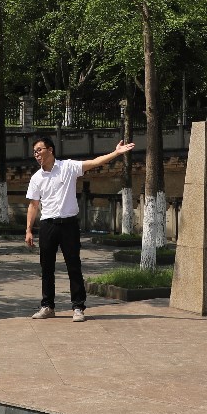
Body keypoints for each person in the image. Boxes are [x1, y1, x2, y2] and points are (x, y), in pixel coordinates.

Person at [25, 137, 135, 322]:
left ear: (50, 150)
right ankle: (47, 306)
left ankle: (78, 307)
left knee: (73, 266)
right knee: (47, 267)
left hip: (68, 225)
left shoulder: (68, 167)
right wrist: (28, 230)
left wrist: (116, 153)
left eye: (39, 150)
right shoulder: (36, 178)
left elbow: (94, 163)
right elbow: (33, 205)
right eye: (34, 152)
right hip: (47, 225)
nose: (36, 154)